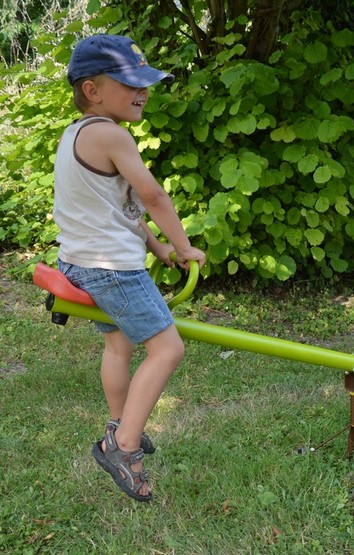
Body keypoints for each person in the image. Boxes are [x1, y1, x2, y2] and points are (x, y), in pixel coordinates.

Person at [53, 34, 206, 501]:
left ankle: (120, 425)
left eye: (146, 82)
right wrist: (184, 247)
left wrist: (157, 248)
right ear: (93, 90)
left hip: (79, 261)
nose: (143, 91)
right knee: (167, 350)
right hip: (112, 270)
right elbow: (151, 196)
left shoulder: (76, 134)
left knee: (119, 347)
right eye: (130, 82)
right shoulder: (112, 134)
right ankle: (123, 446)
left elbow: (115, 209)